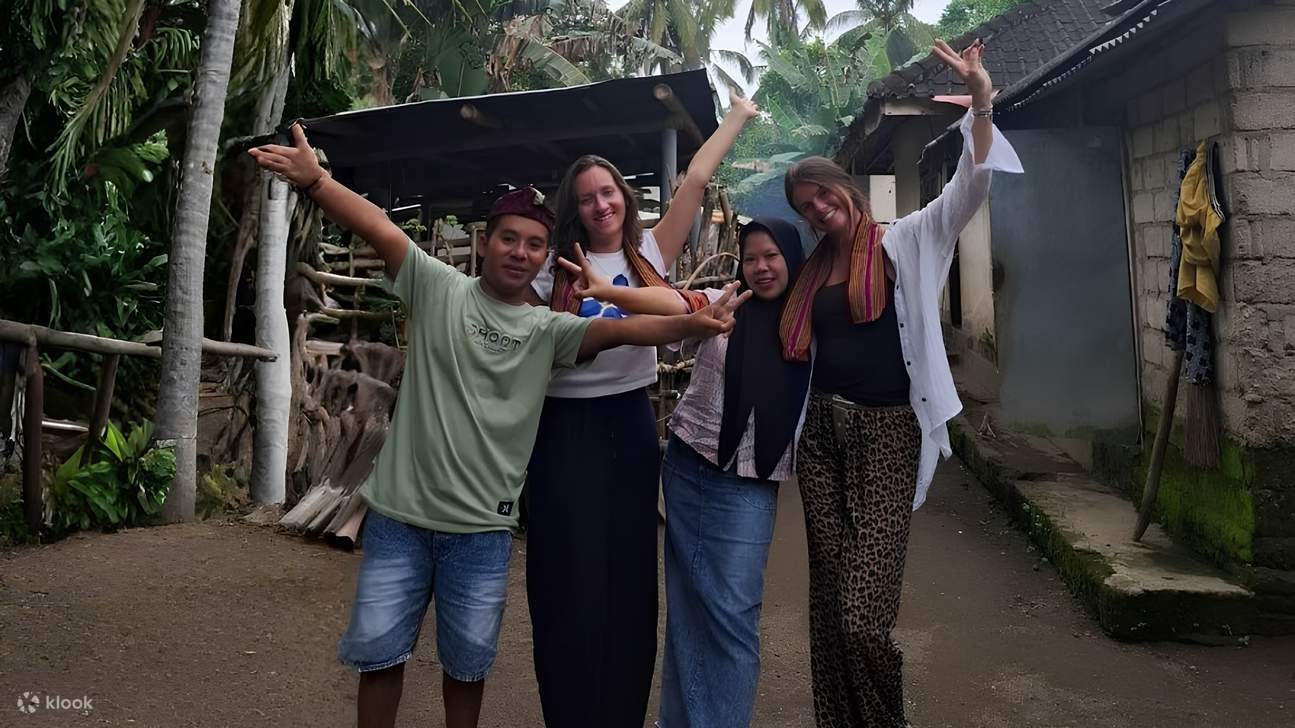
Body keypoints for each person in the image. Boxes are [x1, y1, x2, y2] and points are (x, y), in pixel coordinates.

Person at [248, 125, 750, 728]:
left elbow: (623, 328)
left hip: (520, 499)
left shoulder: (574, 310)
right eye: (509, 239)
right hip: (451, 490)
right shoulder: (464, 288)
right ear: (486, 244)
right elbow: (380, 228)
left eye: (533, 243)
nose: (520, 252)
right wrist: (317, 181)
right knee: (393, 650)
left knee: (488, 657)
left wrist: (691, 322)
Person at [779, 40, 1023, 727]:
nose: (817, 210)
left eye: (822, 195)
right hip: (820, 434)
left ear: (843, 188)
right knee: (829, 603)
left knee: (863, 615)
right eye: (805, 207)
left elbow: (969, 188)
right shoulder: (809, 272)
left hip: (887, 433)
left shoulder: (905, 240)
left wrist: (981, 100)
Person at [523, 90, 760, 727]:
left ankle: (622, 713)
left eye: (609, 192)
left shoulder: (651, 253)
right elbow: (534, 346)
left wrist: (736, 117)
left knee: (629, 576)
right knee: (567, 573)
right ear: (573, 209)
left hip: (629, 422)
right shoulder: (552, 267)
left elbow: (697, 177)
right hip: (562, 428)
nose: (601, 204)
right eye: (587, 198)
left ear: (625, 198)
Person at [557, 216, 811, 728]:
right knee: (689, 613)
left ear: (792, 259)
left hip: (749, 485)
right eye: (751, 258)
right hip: (688, 468)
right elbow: (673, 302)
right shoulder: (724, 302)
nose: (761, 267)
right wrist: (608, 290)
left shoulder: (811, 324)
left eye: (772, 256)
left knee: (733, 618)